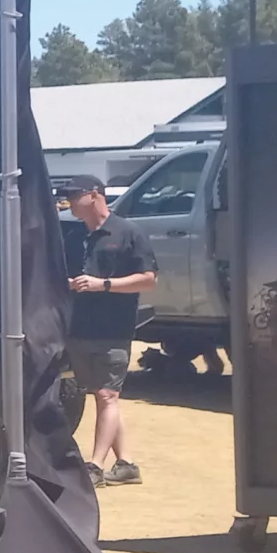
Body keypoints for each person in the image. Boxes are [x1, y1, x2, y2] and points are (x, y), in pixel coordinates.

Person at [63, 178, 155, 484]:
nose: (69, 201)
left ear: (94, 195)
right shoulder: (75, 237)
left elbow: (147, 279)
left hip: (114, 328)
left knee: (107, 395)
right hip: (79, 328)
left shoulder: (129, 233)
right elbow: (62, 276)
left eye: (74, 196)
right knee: (102, 398)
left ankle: (95, 466)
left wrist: (103, 285)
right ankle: (126, 464)